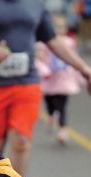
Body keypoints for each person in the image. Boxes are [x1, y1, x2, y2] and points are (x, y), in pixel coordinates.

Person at [0, 0, 91, 177]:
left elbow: (53, 40)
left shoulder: (35, 4)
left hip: (27, 83)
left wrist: (84, 68)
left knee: (21, 141)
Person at [36, 14, 84, 143]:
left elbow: (75, 59)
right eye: (56, 26)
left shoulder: (70, 42)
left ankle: (62, 130)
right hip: (50, 79)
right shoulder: (44, 43)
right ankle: (51, 115)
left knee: (62, 106)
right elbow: (40, 59)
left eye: (62, 26)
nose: (59, 29)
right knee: (49, 102)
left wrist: (80, 76)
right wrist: (44, 70)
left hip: (64, 79)